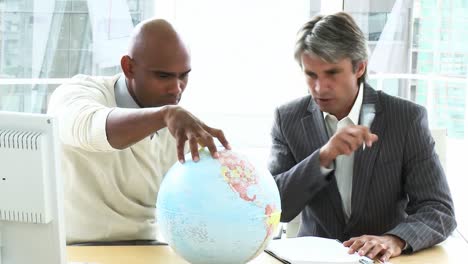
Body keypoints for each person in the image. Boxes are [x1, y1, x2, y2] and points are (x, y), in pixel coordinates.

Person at [268, 12, 456, 262]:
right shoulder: (288, 118)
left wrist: (395, 240)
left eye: (332, 73)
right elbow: (276, 209)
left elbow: (439, 211)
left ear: (359, 67)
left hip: (385, 259)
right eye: (311, 74)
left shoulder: (406, 119)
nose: (319, 88)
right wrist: (323, 157)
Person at [47, 18, 230, 244]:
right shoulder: (78, 93)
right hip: (75, 249)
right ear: (129, 67)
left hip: (148, 248)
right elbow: (90, 128)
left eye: (183, 75)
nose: (176, 88)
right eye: (163, 76)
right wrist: (164, 115)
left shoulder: (177, 124)